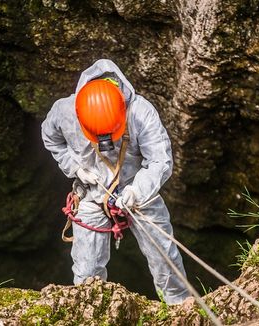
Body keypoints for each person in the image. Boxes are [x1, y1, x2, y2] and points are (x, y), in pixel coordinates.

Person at [41, 59, 189, 304]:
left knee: (164, 255)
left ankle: (178, 304)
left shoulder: (140, 112)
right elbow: (51, 139)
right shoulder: (64, 111)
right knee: (87, 271)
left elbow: (160, 161)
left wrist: (136, 191)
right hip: (91, 192)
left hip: (137, 190)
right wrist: (76, 168)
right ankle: (90, 311)